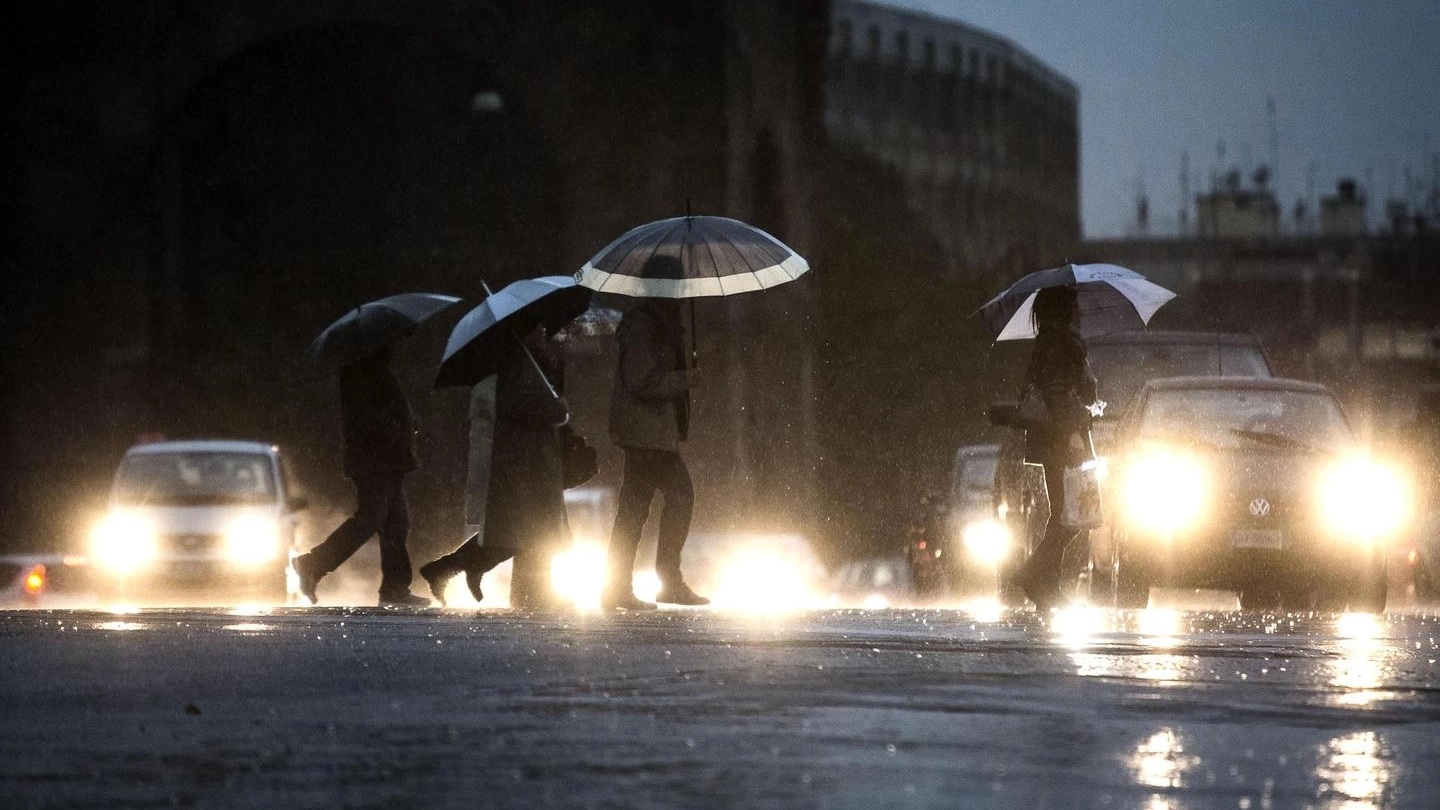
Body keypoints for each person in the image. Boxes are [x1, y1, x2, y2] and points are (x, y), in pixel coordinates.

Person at [419, 325, 571, 608]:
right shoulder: (516, 363)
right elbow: (512, 405)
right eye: (537, 329)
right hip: (524, 460)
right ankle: (530, 593)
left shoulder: (536, 361)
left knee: (524, 529)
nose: (543, 333)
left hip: (533, 459)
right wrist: (550, 410)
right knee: (527, 529)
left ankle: (454, 569)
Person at [292, 345, 430, 607]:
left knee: (396, 523)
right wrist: (398, 428)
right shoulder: (362, 373)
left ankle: (395, 586)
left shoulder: (372, 370)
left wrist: (406, 422)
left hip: (385, 459)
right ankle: (313, 564)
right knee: (372, 517)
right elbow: (367, 419)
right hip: (375, 459)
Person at [602, 297, 708, 610]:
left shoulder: (656, 324)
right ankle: (667, 582)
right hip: (647, 435)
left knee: (633, 511)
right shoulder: (644, 327)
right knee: (679, 495)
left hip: (650, 434)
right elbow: (642, 381)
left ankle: (617, 587)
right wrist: (686, 378)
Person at [1015, 285, 1099, 611]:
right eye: (1075, 306)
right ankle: (1034, 574)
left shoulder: (1060, 343)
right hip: (1062, 438)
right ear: (1064, 310)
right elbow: (1059, 394)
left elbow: (1075, 392)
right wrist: (1072, 436)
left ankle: (1043, 585)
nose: (1080, 312)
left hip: (1060, 436)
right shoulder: (1058, 343)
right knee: (1071, 514)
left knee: (1067, 513)